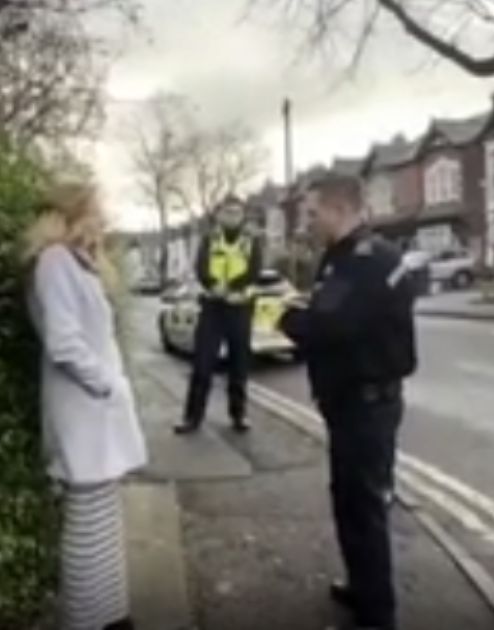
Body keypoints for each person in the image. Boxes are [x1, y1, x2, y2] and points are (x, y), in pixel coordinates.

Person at [278, 174, 417, 630]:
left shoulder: (363, 261)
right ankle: (363, 587)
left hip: (366, 407)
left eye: (313, 211)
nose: (308, 220)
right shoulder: (349, 257)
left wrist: (283, 314)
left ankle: (378, 614)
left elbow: (327, 325)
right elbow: (333, 313)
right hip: (353, 403)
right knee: (349, 501)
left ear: (339, 210)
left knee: (364, 507)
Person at [25, 182, 148, 630]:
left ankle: (113, 615)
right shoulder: (55, 262)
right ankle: (85, 620)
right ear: (73, 213)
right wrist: (109, 386)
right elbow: (64, 343)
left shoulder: (78, 263)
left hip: (96, 415)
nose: (102, 220)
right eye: (96, 210)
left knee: (104, 523)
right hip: (84, 413)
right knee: (87, 527)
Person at [176, 196, 263, 435]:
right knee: (202, 365)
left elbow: (254, 270)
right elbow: (201, 267)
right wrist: (213, 284)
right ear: (219, 215)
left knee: (239, 366)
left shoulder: (252, 240)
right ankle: (192, 418)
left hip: (239, 307)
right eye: (227, 212)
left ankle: (239, 415)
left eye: (236, 212)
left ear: (243, 215)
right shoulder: (209, 238)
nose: (232, 216)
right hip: (213, 308)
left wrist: (232, 286)